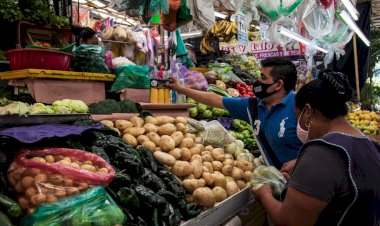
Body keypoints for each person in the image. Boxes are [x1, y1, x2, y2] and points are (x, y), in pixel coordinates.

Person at [252, 70, 380, 226]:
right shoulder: (368, 144)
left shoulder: (322, 153)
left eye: (296, 116)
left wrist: (264, 195)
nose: (298, 123)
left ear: (307, 111)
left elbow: (289, 222)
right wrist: (299, 183)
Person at [167, 57, 303, 171]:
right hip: (281, 182)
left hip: (306, 182)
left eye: (263, 77)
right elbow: (216, 99)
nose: (257, 82)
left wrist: (298, 163)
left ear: (278, 84)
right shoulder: (253, 106)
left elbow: (323, 145)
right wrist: (181, 89)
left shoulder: (302, 107)